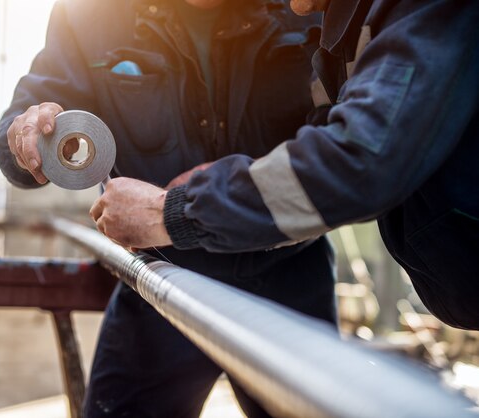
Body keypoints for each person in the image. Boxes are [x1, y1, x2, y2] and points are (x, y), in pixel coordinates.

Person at [0, 0, 338, 416]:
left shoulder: (306, 6)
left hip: (289, 277)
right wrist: (27, 137)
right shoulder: (90, 16)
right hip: (161, 282)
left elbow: (349, 145)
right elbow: (26, 120)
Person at [92, 0, 479, 330]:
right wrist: (218, 185)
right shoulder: (345, 29)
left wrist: (169, 212)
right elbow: (336, 149)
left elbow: (357, 161)